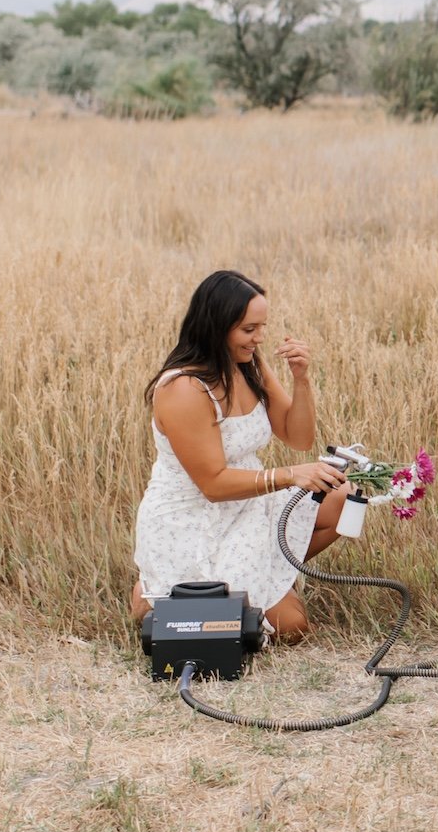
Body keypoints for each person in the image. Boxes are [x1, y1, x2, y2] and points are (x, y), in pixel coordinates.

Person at [133, 270, 353, 640]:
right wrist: (288, 476)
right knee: (293, 628)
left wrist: (301, 379)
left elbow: (298, 437)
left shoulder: (247, 364)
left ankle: (271, 576)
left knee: (343, 499)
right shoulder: (184, 388)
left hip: (250, 503)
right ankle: (155, 593)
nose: (260, 338)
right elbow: (213, 485)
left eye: (262, 327)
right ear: (217, 326)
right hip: (194, 519)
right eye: (249, 330)